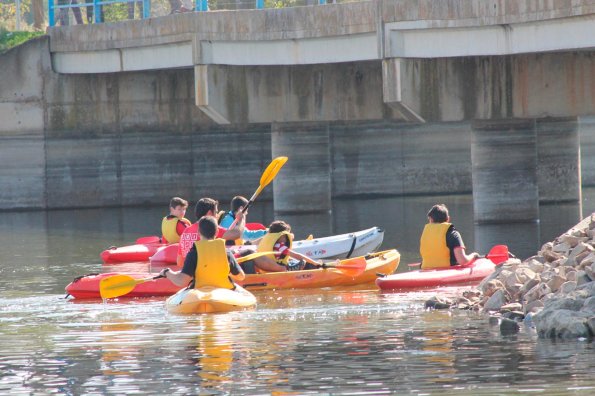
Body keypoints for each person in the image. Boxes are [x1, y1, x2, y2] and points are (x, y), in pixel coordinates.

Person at [159, 216, 245, 289]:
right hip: (223, 290)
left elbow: (181, 282)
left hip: (200, 292)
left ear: (198, 232)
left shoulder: (193, 253)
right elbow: (241, 276)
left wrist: (167, 272)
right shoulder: (226, 252)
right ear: (217, 232)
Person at [177, 197, 245, 267]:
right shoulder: (210, 228)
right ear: (209, 213)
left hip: (189, 272)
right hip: (207, 270)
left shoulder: (186, 231)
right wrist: (242, 219)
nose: (217, 216)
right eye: (216, 212)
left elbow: (179, 262)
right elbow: (237, 234)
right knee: (248, 252)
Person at [242, 220, 319, 273]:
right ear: (279, 236)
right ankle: (315, 267)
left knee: (291, 260)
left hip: (265, 268)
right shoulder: (279, 246)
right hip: (278, 268)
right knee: (304, 263)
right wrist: (315, 263)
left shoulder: (265, 240)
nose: (286, 239)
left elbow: (253, 243)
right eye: (285, 236)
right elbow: (297, 255)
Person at [419, 204, 479, 269]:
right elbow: (462, 261)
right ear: (448, 219)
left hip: (426, 270)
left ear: (430, 219)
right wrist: (474, 255)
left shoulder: (426, 233)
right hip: (447, 270)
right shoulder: (453, 233)